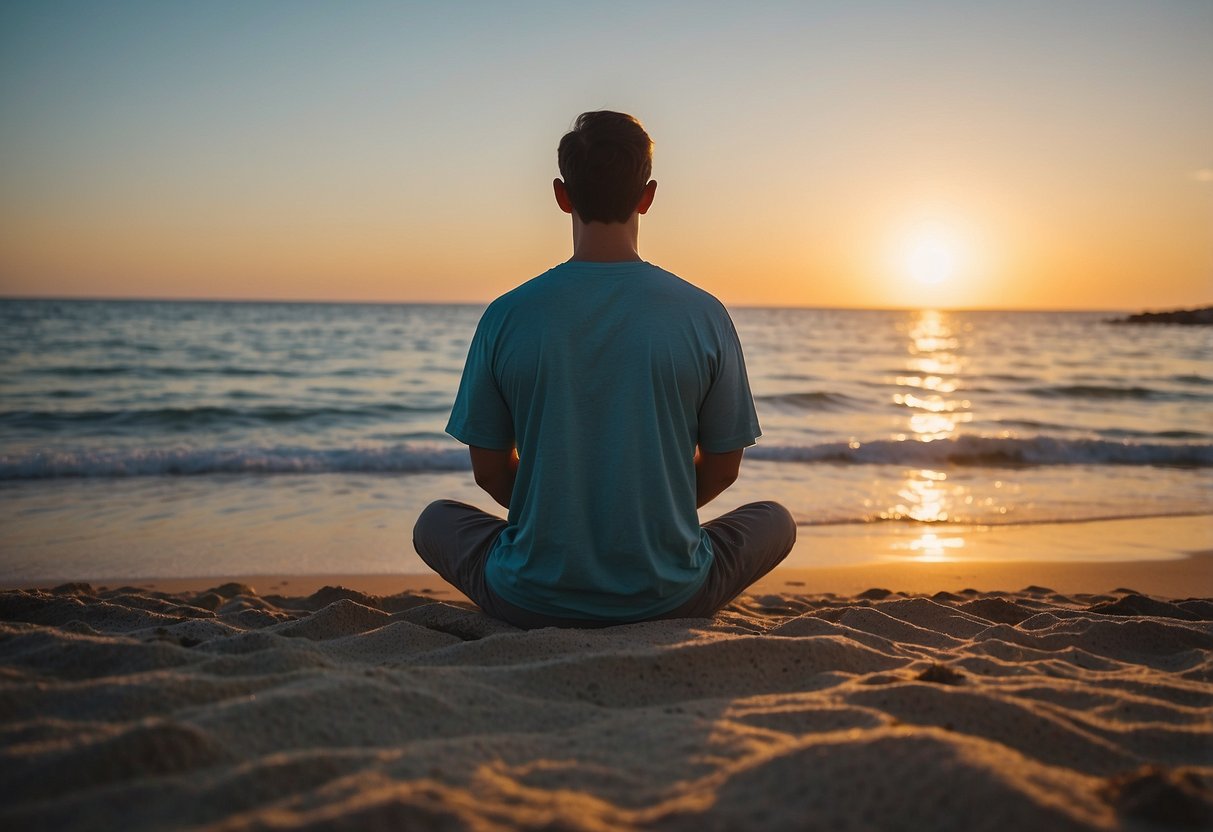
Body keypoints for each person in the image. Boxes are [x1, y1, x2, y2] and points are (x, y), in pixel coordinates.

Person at [412, 110, 795, 628]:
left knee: (435, 520)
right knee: (775, 521)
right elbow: (724, 469)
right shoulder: (704, 314)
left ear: (561, 195)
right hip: (668, 595)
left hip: (531, 597)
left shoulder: (506, 314)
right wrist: (646, 517)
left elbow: (489, 472)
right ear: (648, 195)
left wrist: (562, 517)